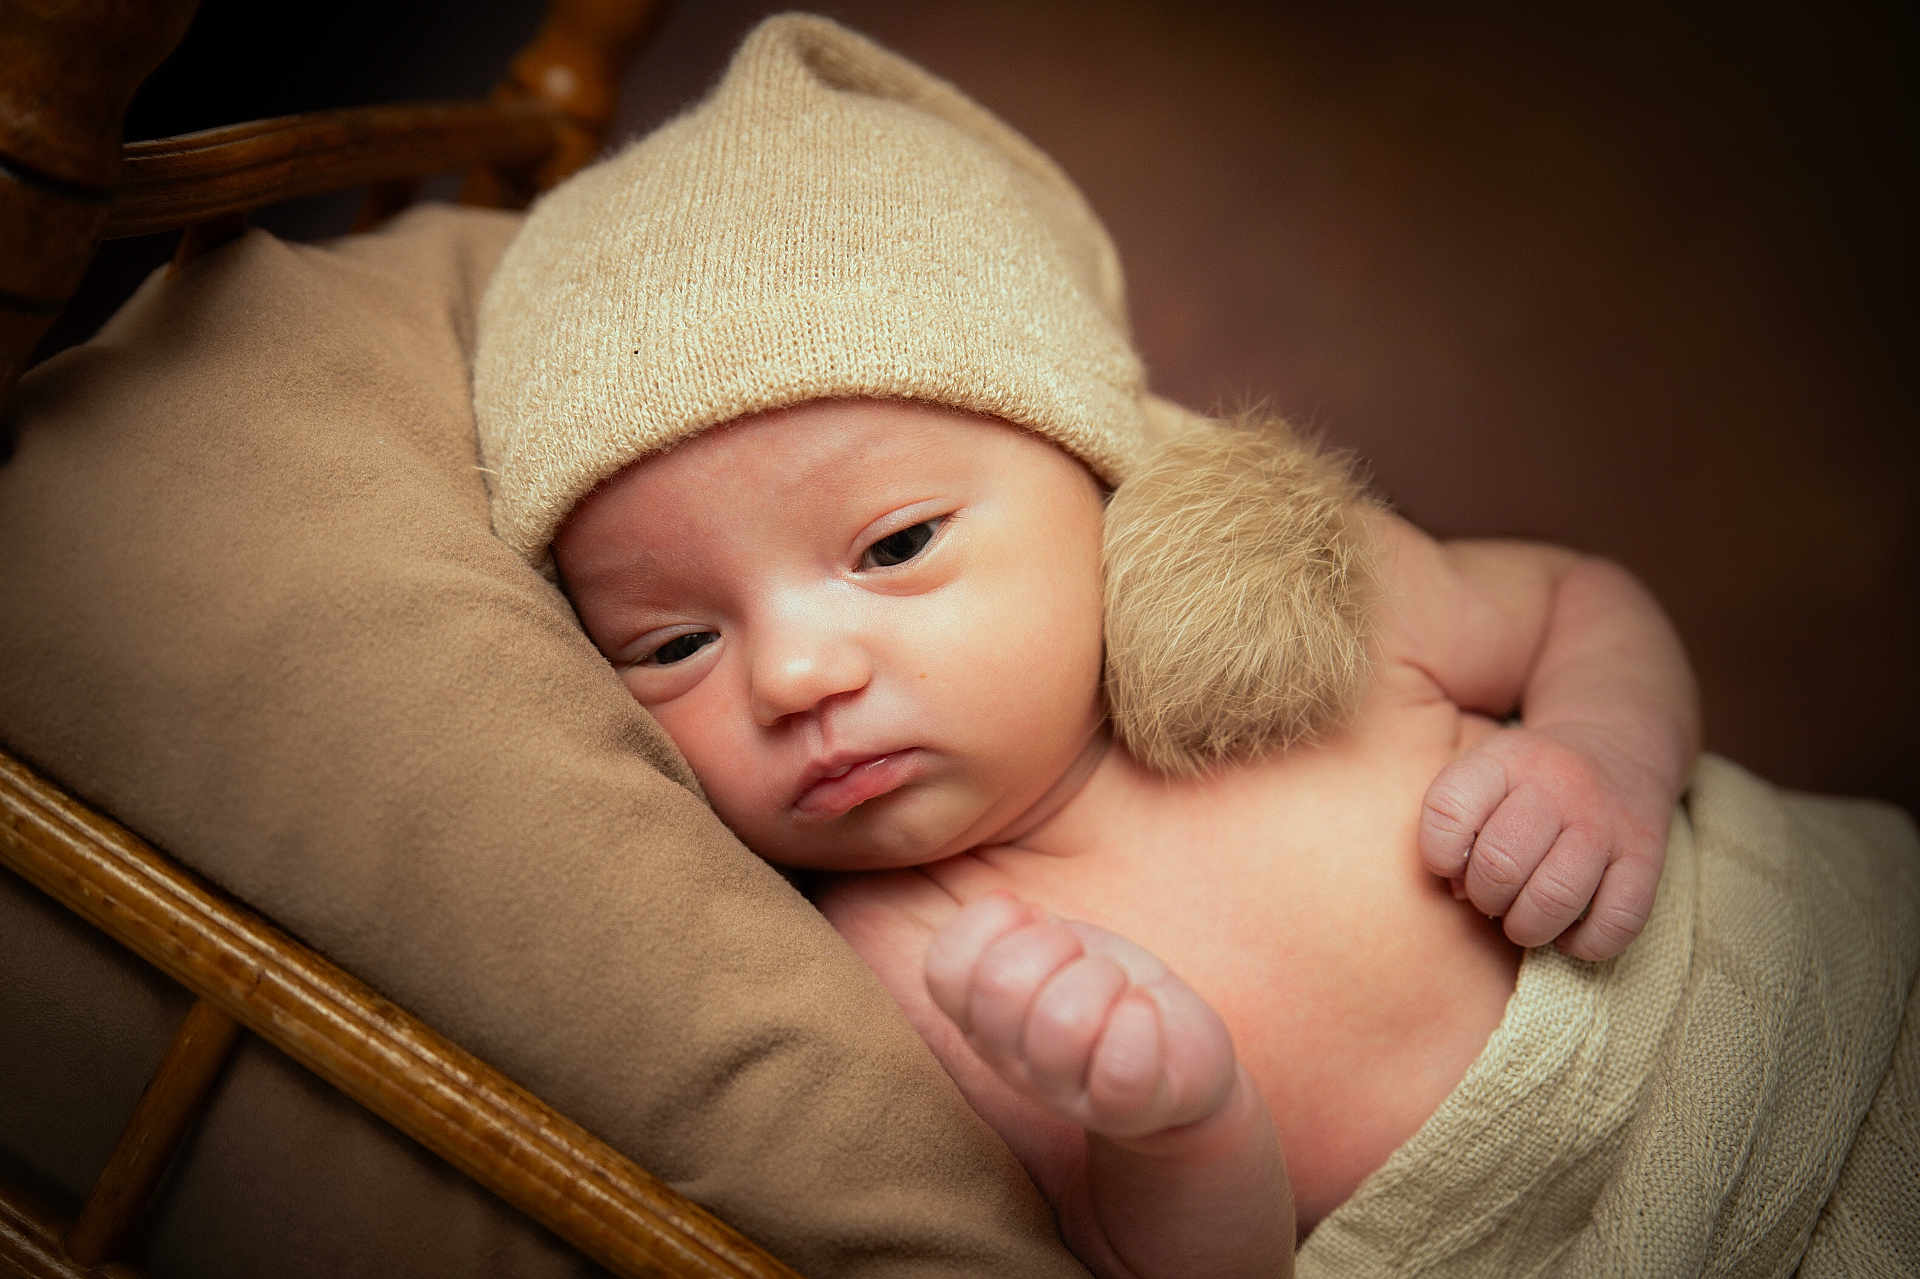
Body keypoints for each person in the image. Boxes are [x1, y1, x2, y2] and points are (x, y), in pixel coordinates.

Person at [474, 15, 1914, 1279]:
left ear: (1095, 475)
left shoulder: (1284, 589)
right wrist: (1178, 1126)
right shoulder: (923, 951)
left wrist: (1603, 754)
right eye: (670, 644)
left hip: (1823, 977)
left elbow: (1575, 601)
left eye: (897, 546)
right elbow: (1178, 1266)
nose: (796, 678)